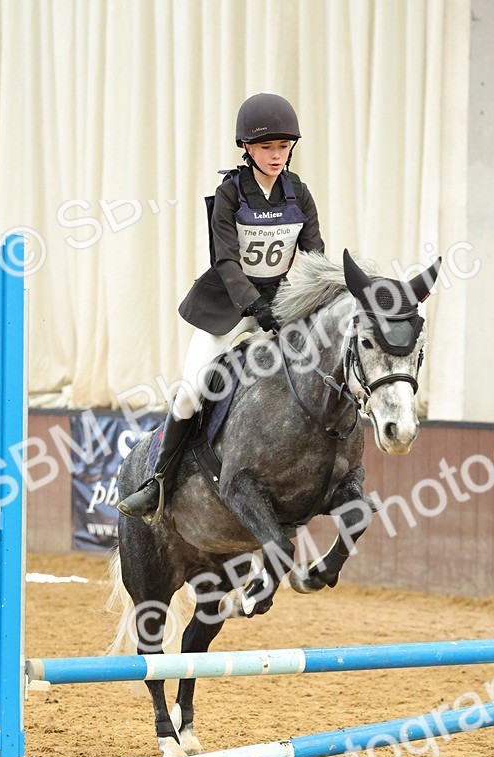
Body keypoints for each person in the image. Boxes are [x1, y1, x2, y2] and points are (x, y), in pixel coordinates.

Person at [118, 92, 325, 520]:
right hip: (229, 309)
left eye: (284, 147)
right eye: (267, 147)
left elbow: (315, 256)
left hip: (280, 308)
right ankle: (157, 484)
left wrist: (303, 300)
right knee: (192, 393)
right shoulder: (230, 194)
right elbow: (226, 261)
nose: (276, 155)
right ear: (246, 148)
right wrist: (254, 304)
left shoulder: (299, 193)